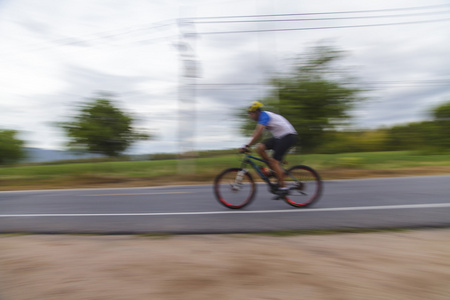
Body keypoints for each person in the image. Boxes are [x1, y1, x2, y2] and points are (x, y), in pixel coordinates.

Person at [243, 101, 297, 194]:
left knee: (274, 161)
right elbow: (256, 132)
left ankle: (284, 187)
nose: (250, 116)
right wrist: (246, 144)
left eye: (251, 114)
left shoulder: (264, 116)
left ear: (256, 112)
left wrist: (247, 145)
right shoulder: (262, 118)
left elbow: (259, 133)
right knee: (260, 147)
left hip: (288, 136)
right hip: (279, 137)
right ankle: (273, 170)